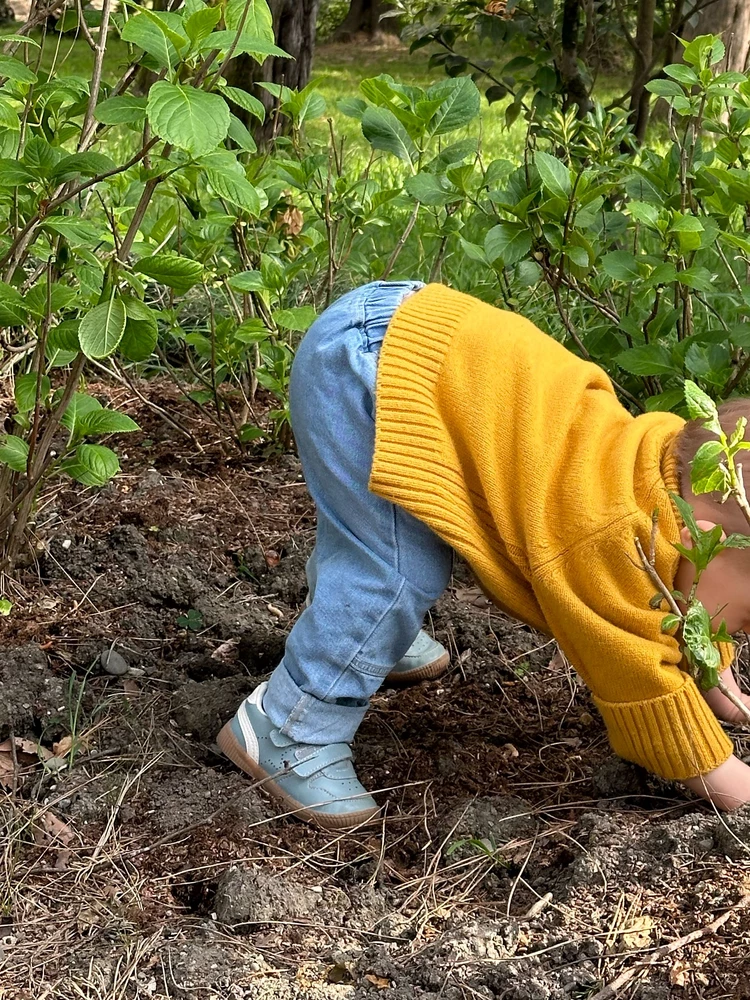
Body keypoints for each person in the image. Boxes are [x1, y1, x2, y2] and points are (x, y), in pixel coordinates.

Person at [217, 280, 750, 829]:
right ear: (698, 534)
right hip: (368, 367)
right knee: (396, 571)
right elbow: (639, 677)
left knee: (380, 538)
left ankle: (366, 634)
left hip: (408, 335)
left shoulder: (663, 472)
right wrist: (731, 779)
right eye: (746, 620)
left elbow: (697, 610)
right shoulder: (611, 540)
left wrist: (715, 677)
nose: (736, 634)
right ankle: (289, 726)